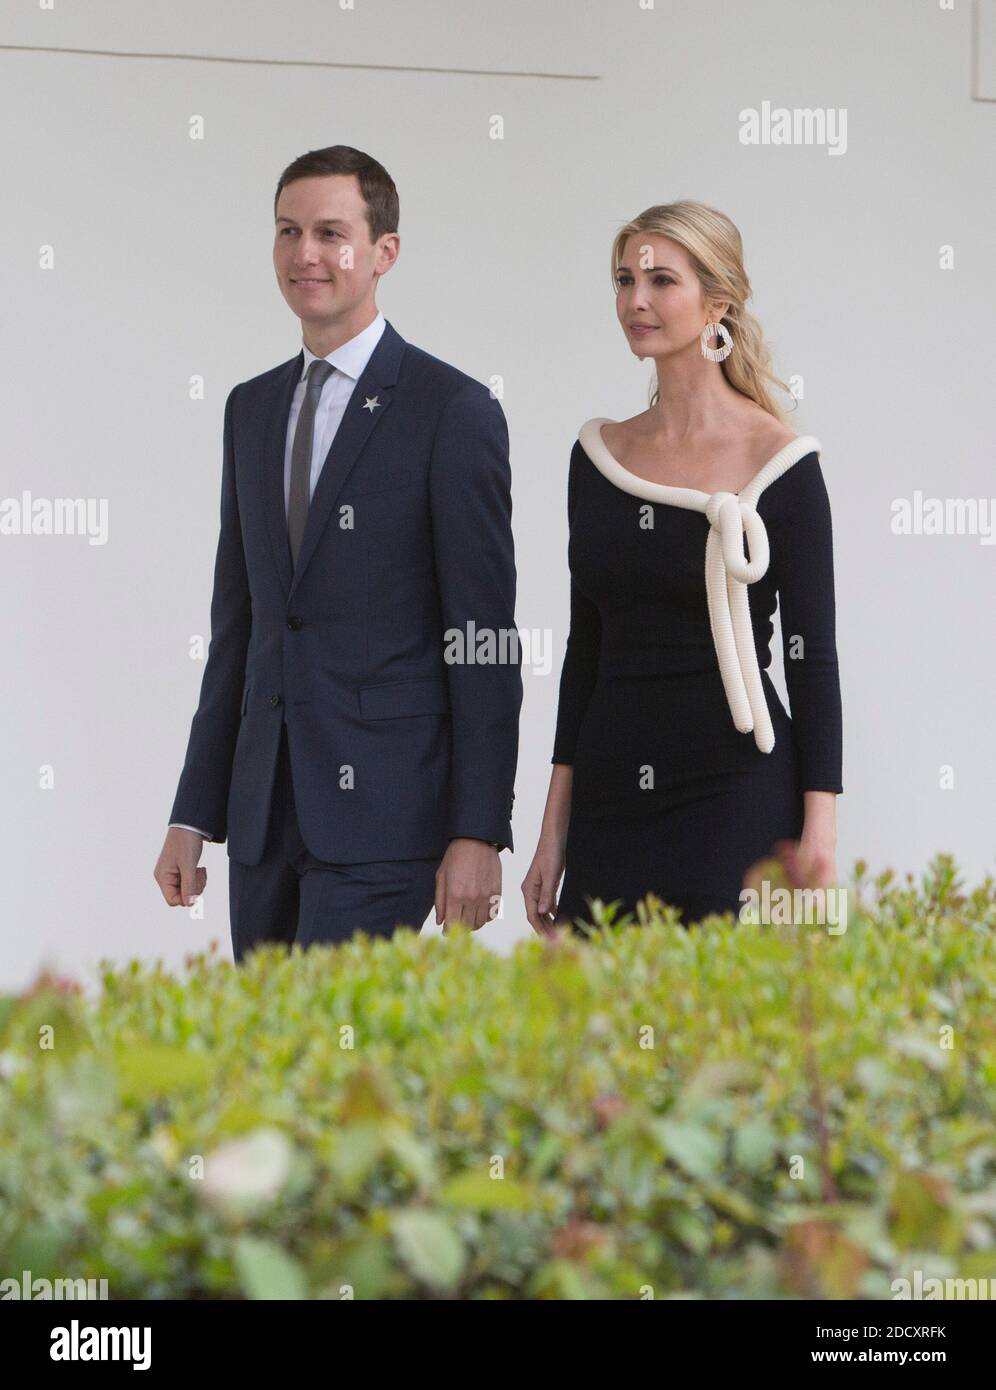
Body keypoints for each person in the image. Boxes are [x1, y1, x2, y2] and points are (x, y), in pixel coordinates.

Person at [154, 145, 522, 961]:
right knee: (264, 1064)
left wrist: (478, 830)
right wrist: (193, 812)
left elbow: (484, 642)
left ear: (384, 252)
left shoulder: (451, 411)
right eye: (288, 231)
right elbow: (241, 626)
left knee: (330, 1053)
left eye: (330, 231)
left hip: (386, 822)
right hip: (261, 819)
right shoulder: (251, 410)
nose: (305, 253)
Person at [522, 200, 842, 934]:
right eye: (623, 279)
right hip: (612, 792)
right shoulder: (597, 456)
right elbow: (586, 649)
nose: (636, 299)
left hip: (736, 792)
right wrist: (554, 830)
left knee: (721, 1038)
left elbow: (812, 658)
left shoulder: (783, 463)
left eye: (661, 280)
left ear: (716, 303)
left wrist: (820, 839)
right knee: (601, 1037)